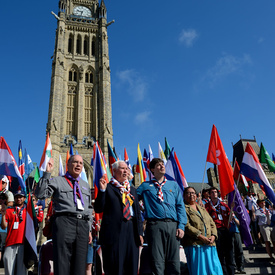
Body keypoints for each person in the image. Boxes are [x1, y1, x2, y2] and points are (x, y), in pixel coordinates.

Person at [35, 155, 93, 275]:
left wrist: (89, 228)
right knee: (62, 263)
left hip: (83, 225)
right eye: (75, 162)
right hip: (64, 222)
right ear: (68, 164)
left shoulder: (85, 185)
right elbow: (40, 194)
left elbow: (88, 208)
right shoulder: (57, 180)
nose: (78, 165)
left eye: (81, 163)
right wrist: (47, 173)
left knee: (80, 266)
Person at [137, 158, 187, 275]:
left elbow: (180, 206)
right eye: (158, 165)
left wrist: (181, 226)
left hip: (173, 226)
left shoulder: (173, 185)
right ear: (153, 170)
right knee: (157, 259)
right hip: (155, 225)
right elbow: (131, 200)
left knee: (173, 260)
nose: (162, 166)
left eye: (162, 164)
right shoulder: (145, 186)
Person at [94, 160, 143, 275]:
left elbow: (137, 213)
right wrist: (102, 190)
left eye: (126, 168)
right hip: (114, 232)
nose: (125, 171)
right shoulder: (108, 187)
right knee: (115, 266)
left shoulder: (132, 190)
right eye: (122, 168)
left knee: (132, 266)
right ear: (114, 171)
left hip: (132, 230)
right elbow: (98, 208)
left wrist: (140, 232)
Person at [182, 187, 222, 275]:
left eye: (193, 193)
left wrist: (213, 236)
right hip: (195, 245)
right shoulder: (183, 209)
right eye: (188, 193)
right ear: (184, 196)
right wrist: (200, 236)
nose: (191, 195)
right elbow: (186, 226)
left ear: (196, 196)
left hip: (210, 245)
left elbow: (212, 223)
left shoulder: (202, 208)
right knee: (200, 271)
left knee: (214, 270)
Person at [205, 187, 235, 275]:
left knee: (229, 253)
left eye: (215, 192)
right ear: (209, 194)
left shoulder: (223, 205)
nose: (214, 194)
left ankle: (231, 272)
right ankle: (223, 272)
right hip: (216, 231)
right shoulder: (207, 206)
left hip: (226, 230)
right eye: (212, 192)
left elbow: (230, 216)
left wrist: (232, 208)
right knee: (220, 253)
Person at [1, 190, 28, 275]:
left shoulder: (28, 211)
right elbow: (3, 226)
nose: (18, 199)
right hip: (10, 242)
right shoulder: (9, 210)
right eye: (16, 197)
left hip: (23, 242)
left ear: (24, 198)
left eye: (20, 197)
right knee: (7, 263)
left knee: (22, 269)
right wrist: (3, 215)